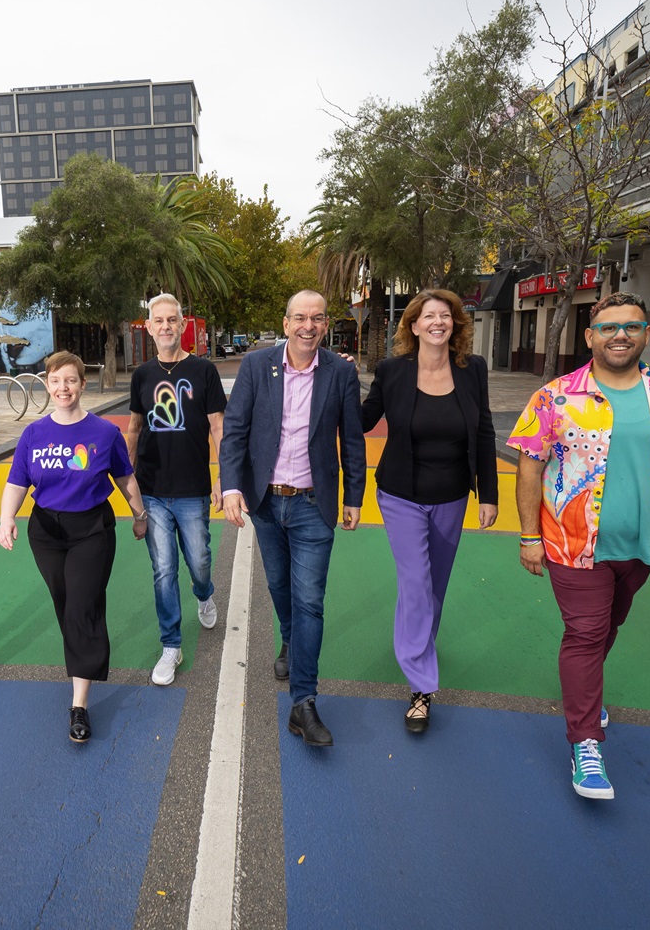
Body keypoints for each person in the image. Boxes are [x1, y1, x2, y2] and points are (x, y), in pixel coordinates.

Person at [507, 290, 650, 800]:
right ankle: (585, 742)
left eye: (631, 326)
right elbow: (530, 468)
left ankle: (584, 692)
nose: (620, 335)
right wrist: (529, 536)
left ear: (647, 334)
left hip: (644, 545)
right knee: (585, 633)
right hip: (571, 542)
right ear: (590, 337)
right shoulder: (555, 397)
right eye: (608, 327)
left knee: (608, 626)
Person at [219, 290, 367, 747]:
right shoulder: (255, 366)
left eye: (317, 318)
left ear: (326, 325)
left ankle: (303, 701)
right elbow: (235, 430)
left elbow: (352, 439)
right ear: (285, 324)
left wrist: (355, 496)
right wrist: (231, 486)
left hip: (313, 505)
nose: (308, 326)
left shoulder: (340, 372)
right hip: (266, 502)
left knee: (310, 601)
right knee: (280, 588)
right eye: (300, 318)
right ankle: (289, 640)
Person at [362, 289, 499, 734]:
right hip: (400, 494)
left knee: (433, 586)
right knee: (417, 582)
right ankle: (421, 687)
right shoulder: (392, 371)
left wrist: (489, 493)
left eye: (445, 315)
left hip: (452, 496)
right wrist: (338, 380)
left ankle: (417, 644)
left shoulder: (473, 369)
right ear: (414, 325)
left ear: (454, 324)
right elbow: (363, 420)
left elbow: (483, 430)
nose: (437, 322)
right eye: (428, 316)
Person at [0, 351, 148, 743]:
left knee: (82, 606)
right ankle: (83, 651)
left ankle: (79, 704)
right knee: (66, 604)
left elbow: (125, 478)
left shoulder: (104, 433)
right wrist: (7, 517)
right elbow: (17, 481)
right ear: (46, 385)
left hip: (91, 530)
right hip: (46, 532)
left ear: (82, 384)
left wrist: (139, 514)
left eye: (70, 380)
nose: (63, 388)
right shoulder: (33, 434)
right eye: (55, 380)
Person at [125, 293, 226, 687]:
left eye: (172, 320)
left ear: (183, 325)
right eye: (159, 320)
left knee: (199, 560)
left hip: (192, 489)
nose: (165, 326)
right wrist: (128, 480)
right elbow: (134, 429)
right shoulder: (141, 375)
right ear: (149, 327)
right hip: (152, 490)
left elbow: (217, 426)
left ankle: (204, 593)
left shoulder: (204, 371)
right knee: (164, 569)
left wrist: (224, 476)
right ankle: (171, 645)